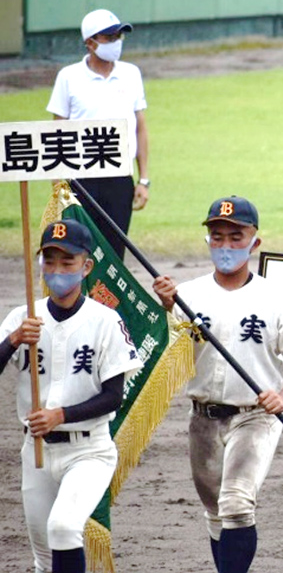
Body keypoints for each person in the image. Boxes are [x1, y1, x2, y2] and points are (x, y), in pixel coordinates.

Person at [151, 196, 283, 573]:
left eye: (235, 237)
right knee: (215, 512)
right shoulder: (186, 296)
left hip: (254, 418)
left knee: (237, 504)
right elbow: (171, 351)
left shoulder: (276, 298)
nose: (225, 245)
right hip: (203, 418)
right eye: (218, 236)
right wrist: (165, 307)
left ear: (254, 243)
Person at [0, 219, 142, 573]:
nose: (58, 270)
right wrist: (14, 340)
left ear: (86, 266)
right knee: (45, 560)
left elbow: (113, 397)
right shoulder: (24, 318)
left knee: (63, 529)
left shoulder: (105, 321)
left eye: (68, 262)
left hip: (89, 450)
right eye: (50, 261)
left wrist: (59, 415)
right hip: (36, 452)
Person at [47, 9, 150, 259]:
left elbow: (140, 127)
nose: (115, 43)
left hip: (119, 177)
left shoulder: (131, 73)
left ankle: (108, 300)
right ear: (90, 43)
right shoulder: (68, 77)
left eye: (118, 36)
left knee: (115, 252)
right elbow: (57, 131)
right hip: (81, 180)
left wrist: (144, 180)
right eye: (108, 37)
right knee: (78, 249)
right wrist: (60, 183)